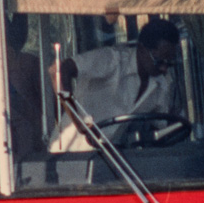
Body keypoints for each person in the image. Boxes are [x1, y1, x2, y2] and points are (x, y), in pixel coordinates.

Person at [50, 18, 183, 149]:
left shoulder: (162, 84)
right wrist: (79, 121)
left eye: (169, 63)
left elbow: (159, 128)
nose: (164, 69)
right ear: (142, 49)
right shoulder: (112, 60)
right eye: (159, 61)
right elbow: (59, 70)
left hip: (112, 157)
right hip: (69, 152)